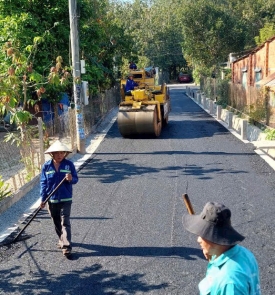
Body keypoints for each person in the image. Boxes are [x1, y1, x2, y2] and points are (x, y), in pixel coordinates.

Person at [182, 201, 261, 295]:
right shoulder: (244, 254)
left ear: (214, 238)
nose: (198, 240)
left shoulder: (229, 282)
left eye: (203, 234)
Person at [40, 140, 78, 257]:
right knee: (56, 222)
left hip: (66, 199)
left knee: (65, 222)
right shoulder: (46, 167)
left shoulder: (69, 165)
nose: (60, 155)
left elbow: (76, 179)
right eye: (57, 153)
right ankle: (62, 239)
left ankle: (66, 246)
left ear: (65, 154)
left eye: (62, 153)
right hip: (52, 200)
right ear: (52, 154)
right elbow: (43, 183)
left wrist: (70, 178)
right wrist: (42, 199)